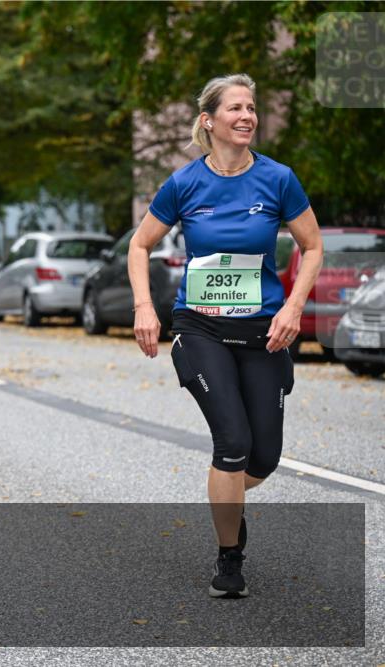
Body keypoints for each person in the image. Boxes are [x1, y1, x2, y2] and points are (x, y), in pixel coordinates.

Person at [128, 73, 323, 600]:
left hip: (264, 333)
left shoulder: (278, 179)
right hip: (201, 329)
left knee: (262, 459)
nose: (247, 116)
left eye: (251, 108)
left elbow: (312, 247)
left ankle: (227, 496)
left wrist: (293, 307)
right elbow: (139, 246)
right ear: (209, 120)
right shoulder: (184, 183)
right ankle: (229, 555)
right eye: (235, 107)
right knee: (233, 443)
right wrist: (145, 307)